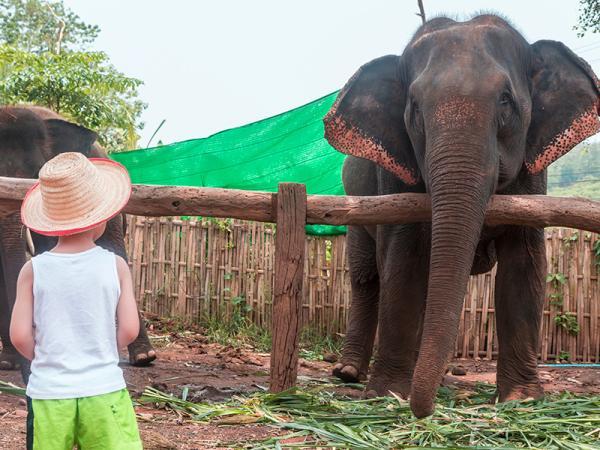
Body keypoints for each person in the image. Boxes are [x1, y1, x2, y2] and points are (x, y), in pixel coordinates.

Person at [10, 152, 143, 449]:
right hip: (103, 389)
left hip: (49, 393)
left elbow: (19, 336)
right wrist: (102, 346)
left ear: (48, 221)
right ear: (102, 218)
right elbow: (130, 330)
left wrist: (50, 356)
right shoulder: (116, 265)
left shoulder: (32, 270)